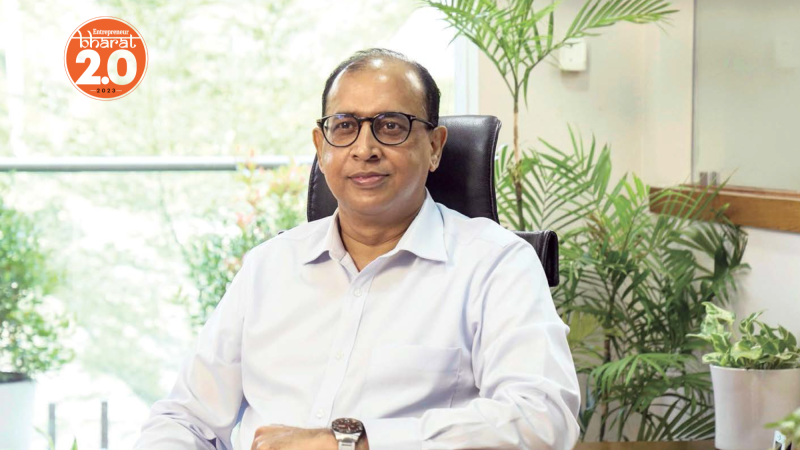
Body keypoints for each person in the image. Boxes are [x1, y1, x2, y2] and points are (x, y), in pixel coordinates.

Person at [135, 48, 580, 450]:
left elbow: (542, 418)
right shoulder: (269, 265)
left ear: (434, 147)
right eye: (345, 127)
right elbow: (185, 418)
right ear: (321, 147)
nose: (364, 149)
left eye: (391, 126)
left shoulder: (496, 264)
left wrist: (351, 443)